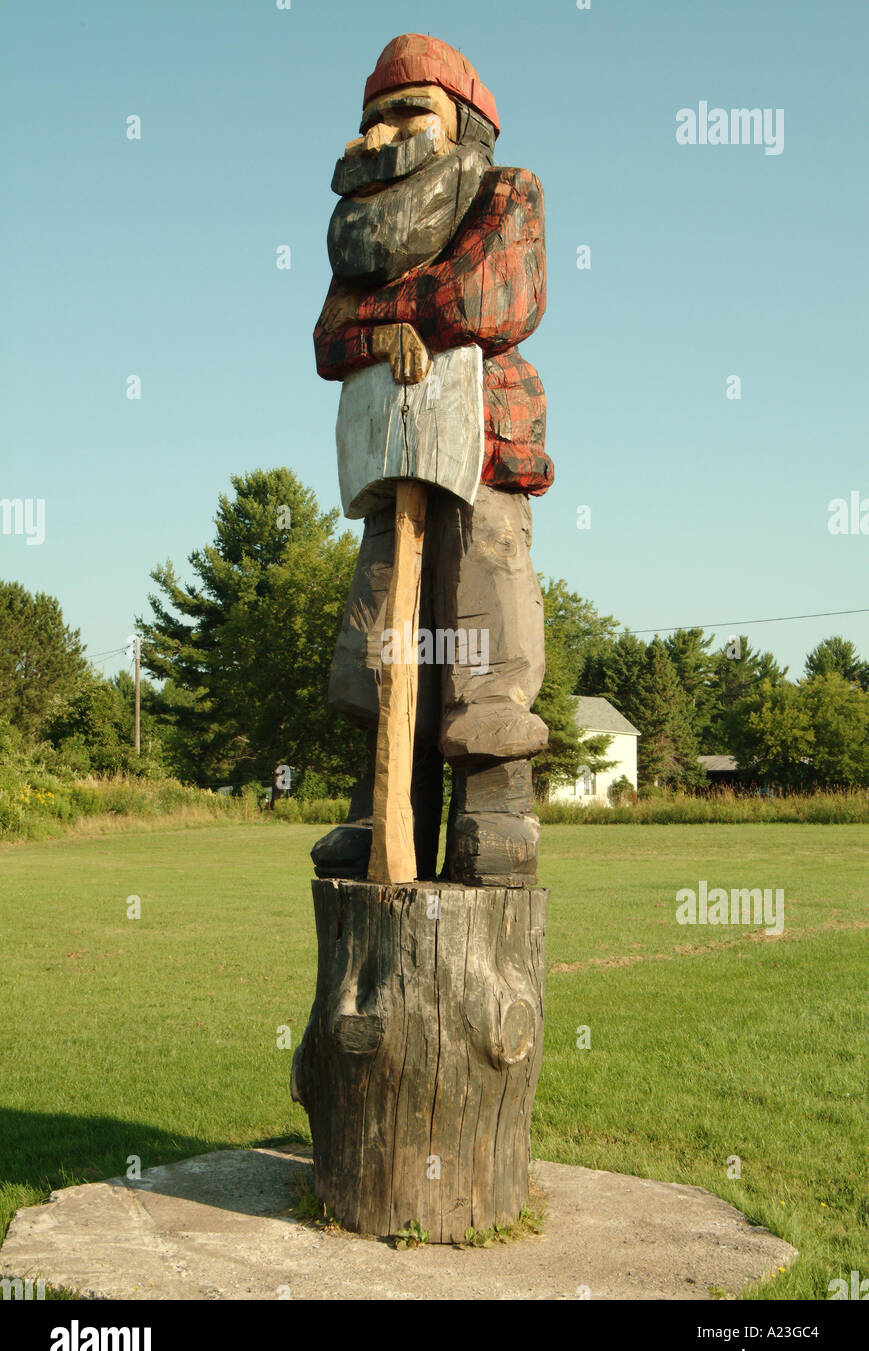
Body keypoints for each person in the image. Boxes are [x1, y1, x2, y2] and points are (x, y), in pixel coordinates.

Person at [312, 33, 554, 885]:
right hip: (388, 450)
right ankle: (385, 805)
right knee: (383, 627)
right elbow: (328, 339)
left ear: (463, 124)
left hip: (483, 441)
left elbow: (491, 295)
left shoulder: (504, 189)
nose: (382, 135)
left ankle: (494, 807)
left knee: (482, 609)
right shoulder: (354, 230)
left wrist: (393, 317)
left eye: (408, 111)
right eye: (371, 119)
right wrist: (382, 330)